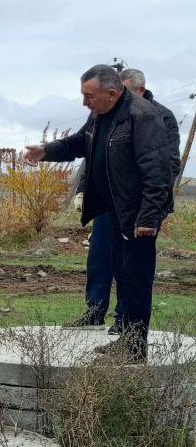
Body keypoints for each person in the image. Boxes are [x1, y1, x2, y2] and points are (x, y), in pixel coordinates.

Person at [22, 64, 172, 362]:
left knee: (136, 279)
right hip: (112, 211)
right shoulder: (99, 115)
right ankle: (126, 341)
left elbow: (158, 173)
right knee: (121, 274)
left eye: (88, 96)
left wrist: (148, 218)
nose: (84, 102)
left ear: (113, 93)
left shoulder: (143, 117)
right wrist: (47, 150)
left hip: (136, 213)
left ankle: (134, 348)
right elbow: (79, 143)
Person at [76, 67, 180, 330]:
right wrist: (82, 189)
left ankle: (125, 322)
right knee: (100, 258)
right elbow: (95, 157)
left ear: (140, 91)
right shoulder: (105, 116)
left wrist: (150, 207)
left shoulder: (158, 116)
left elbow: (166, 165)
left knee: (131, 268)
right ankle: (95, 311)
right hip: (106, 203)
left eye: (126, 92)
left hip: (135, 206)